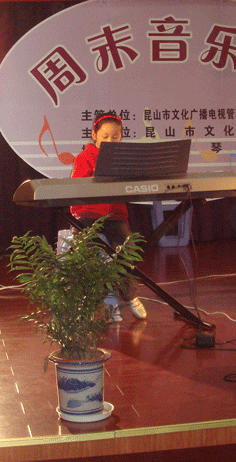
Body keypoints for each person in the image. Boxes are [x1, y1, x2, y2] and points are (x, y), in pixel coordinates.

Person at [70, 111, 147, 321]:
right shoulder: (84, 158)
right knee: (87, 252)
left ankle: (130, 296)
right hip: (87, 214)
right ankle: (89, 300)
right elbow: (76, 186)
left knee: (126, 249)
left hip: (114, 216)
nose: (110, 141)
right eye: (105, 136)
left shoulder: (122, 159)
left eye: (115, 137)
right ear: (94, 135)